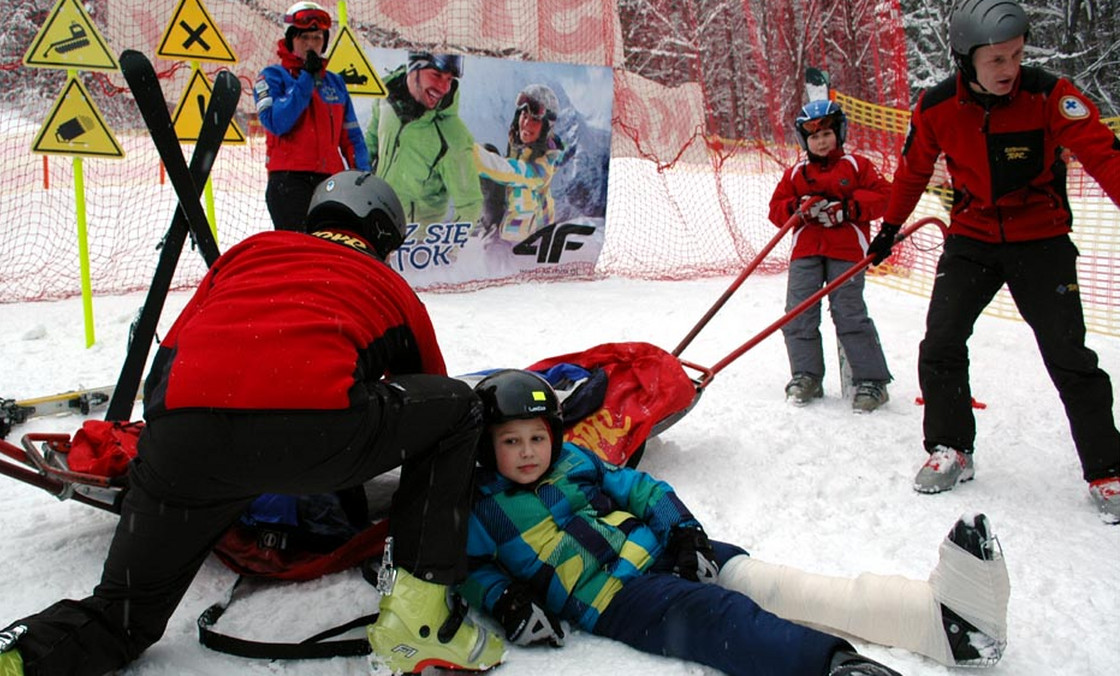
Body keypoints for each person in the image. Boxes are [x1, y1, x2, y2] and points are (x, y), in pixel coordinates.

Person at [0, 172, 504, 676]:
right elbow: (429, 393)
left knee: (122, 616)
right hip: (314, 430)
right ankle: (422, 618)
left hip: (183, 439)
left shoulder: (248, 253)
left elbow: (168, 363)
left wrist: (173, 455)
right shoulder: (388, 284)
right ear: (382, 235)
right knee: (458, 408)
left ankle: (1, 659)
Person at [461, 369, 1011, 675]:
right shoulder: (484, 509)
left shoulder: (575, 461)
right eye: (511, 441)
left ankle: (944, 623)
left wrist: (684, 532)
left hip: (657, 549)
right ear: (487, 449)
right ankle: (832, 667)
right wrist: (506, 599)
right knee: (718, 616)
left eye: (537, 437)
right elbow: (468, 567)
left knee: (764, 580)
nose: (528, 452)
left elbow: (645, 488)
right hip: (614, 598)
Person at [873, 0, 1120, 522]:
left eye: (1016, 55)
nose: (1010, 69)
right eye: (997, 60)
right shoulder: (937, 106)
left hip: (1042, 241)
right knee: (940, 342)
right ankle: (951, 448)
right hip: (972, 238)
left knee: (1068, 354)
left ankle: (1107, 469)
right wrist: (889, 229)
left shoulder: (1051, 96)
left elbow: (1102, 154)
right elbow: (913, 170)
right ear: (966, 59)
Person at [768, 100, 894, 412]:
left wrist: (848, 207)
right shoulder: (797, 173)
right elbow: (776, 208)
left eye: (826, 134)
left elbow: (885, 197)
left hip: (847, 250)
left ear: (839, 132)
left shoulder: (857, 165)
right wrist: (799, 207)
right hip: (807, 250)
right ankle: (806, 374)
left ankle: (871, 380)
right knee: (797, 312)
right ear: (804, 141)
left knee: (849, 311)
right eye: (814, 137)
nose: (821, 142)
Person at [254, 2, 370, 231]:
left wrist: (364, 176)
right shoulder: (271, 77)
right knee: (300, 252)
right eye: (304, 38)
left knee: (333, 247)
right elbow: (278, 122)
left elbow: (352, 137)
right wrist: (307, 78)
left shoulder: (335, 83)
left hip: (330, 180)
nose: (310, 44)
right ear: (290, 40)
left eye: (317, 38)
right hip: (289, 181)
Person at [366, 51, 482, 234]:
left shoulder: (451, 135)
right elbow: (370, 146)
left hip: (414, 244)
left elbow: (470, 204)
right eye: (436, 75)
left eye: (449, 79)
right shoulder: (386, 98)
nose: (444, 88)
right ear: (414, 68)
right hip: (377, 223)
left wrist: (445, 252)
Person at [476, 84, 576, 243]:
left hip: (528, 244)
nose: (526, 124)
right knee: (488, 151)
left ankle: (496, 245)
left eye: (535, 120)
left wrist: (467, 151)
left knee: (502, 173)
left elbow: (509, 171)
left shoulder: (543, 165)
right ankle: (491, 232)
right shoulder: (521, 147)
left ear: (545, 127)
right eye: (524, 115)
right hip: (506, 229)